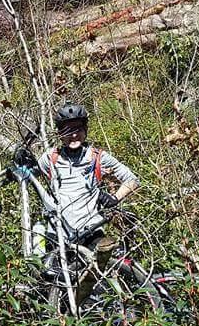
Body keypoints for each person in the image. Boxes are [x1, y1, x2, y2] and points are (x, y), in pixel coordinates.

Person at [31, 103, 140, 305]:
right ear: (59, 132)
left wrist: (115, 197)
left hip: (90, 233)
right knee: (52, 289)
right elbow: (29, 175)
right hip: (58, 236)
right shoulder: (50, 158)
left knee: (97, 290)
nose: (74, 135)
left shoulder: (97, 157)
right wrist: (24, 162)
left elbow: (132, 179)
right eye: (68, 130)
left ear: (86, 130)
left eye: (78, 129)